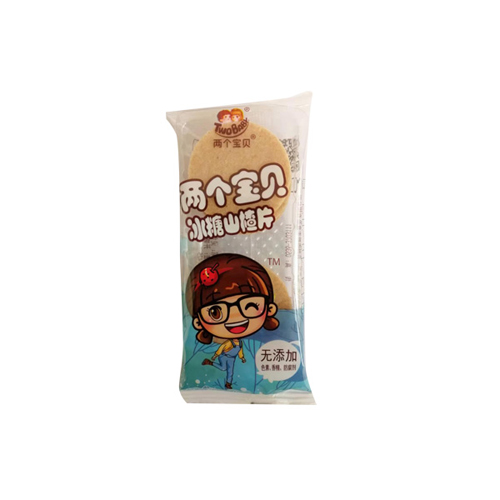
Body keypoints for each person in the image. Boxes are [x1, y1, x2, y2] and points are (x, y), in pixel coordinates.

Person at [185, 254, 279, 389]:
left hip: (232, 359)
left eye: (250, 306)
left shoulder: (239, 343)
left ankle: (228, 383)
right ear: (198, 323)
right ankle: (212, 365)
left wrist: (242, 357)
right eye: (216, 312)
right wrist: (215, 356)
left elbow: (239, 351)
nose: (235, 315)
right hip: (224, 357)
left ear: (269, 309)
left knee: (230, 371)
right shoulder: (229, 343)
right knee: (224, 368)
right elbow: (221, 348)